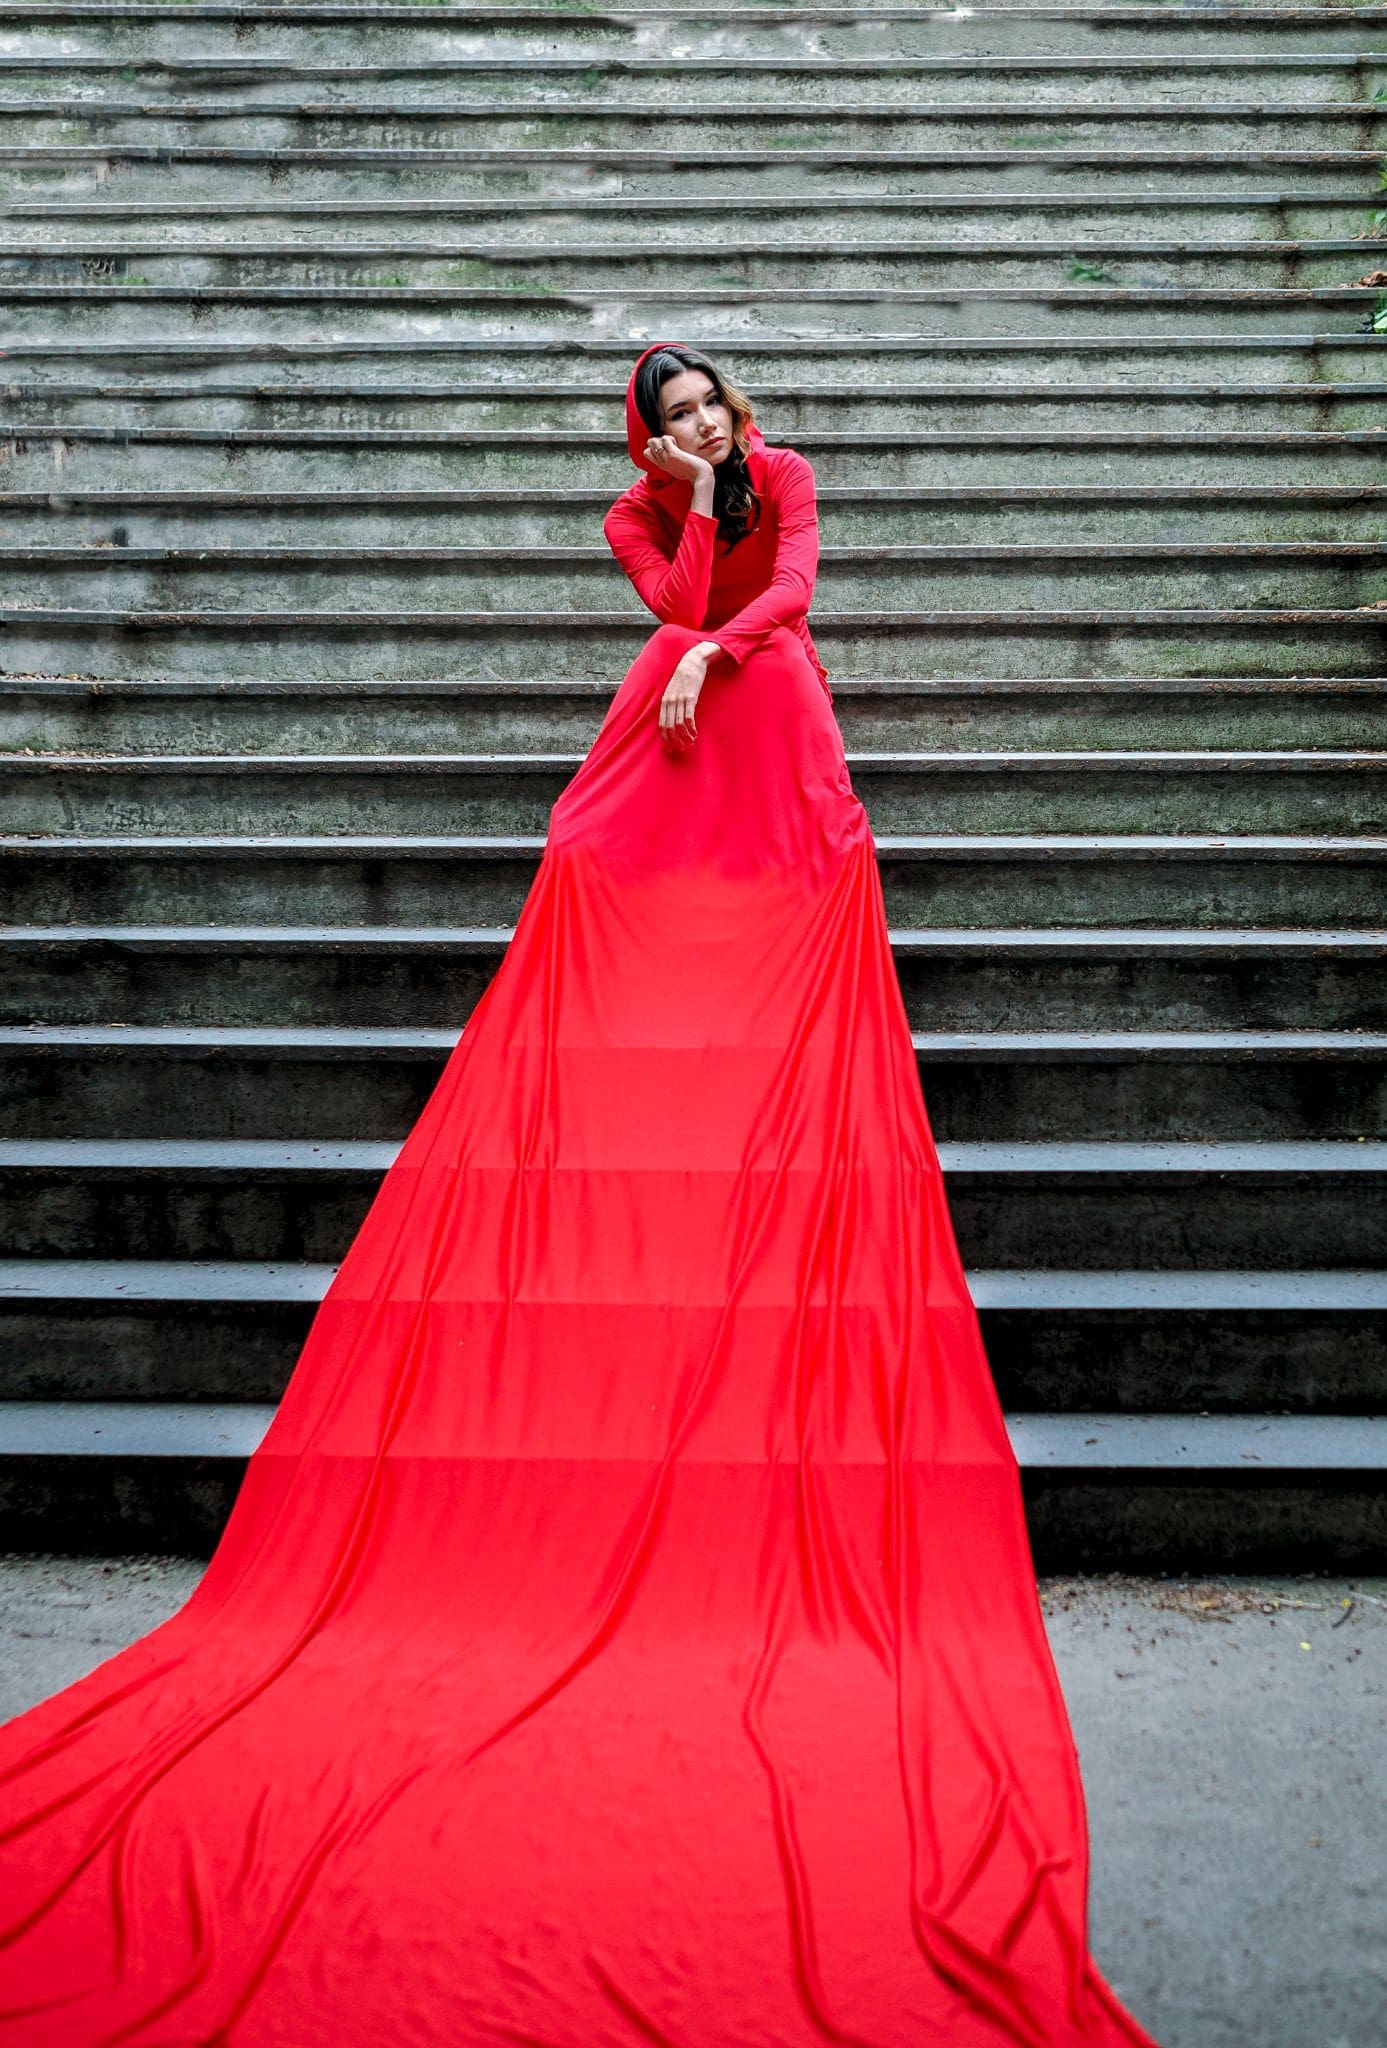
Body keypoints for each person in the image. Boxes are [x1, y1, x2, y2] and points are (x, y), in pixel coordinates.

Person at [0, 341, 1163, 2047]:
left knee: (796, 861)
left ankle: (752, 1050)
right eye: (674, 418)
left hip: (763, 708)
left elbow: (790, 596)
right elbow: (676, 596)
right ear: (648, 434)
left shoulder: (797, 473)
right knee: (584, 856)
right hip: (680, 706)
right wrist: (686, 548)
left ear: (739, 410)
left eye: (714, 410)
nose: (702, 430)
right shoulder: (641, 511)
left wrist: (712, 637)